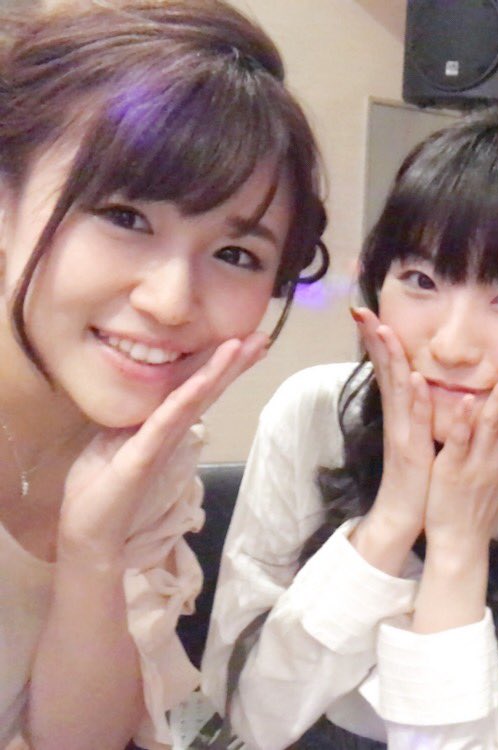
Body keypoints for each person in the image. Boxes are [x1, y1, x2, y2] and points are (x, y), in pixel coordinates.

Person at [202, 106, 498, 750]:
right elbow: (250, 719)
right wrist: (391, 518)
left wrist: (457, 545)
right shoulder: (311, 414)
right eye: (420, 280)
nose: (450, 346)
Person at [0, 1, 327, 748]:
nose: (171, 301)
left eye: (237, 255)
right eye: (125, 217)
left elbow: (76, 740)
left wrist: (92, 551)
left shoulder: (150, 460)